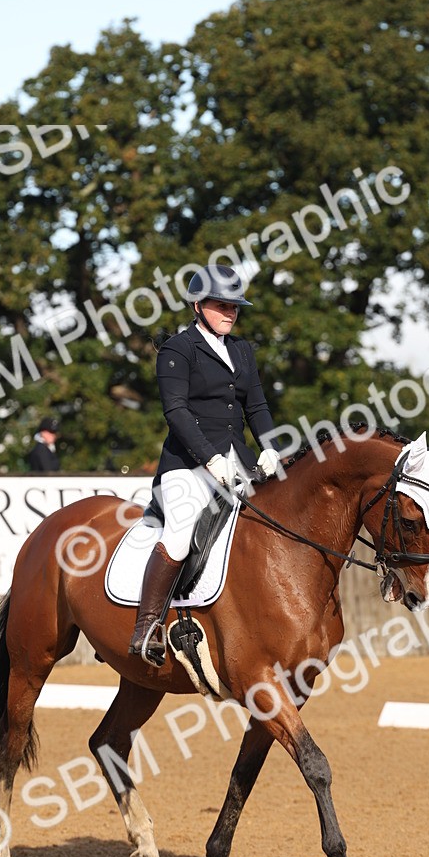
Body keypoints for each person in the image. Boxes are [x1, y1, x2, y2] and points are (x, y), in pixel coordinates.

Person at [129, 264, 281, 664]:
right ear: (197, 306)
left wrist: (270, 448)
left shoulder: (243, 350)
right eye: (221, 305)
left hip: (239, 462)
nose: (230, 312)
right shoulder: (177, 349)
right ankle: (147, 627)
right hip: (187, 464)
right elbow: (176, 412)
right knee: (181, 530)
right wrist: (210, 459)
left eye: (235, 307)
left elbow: (258, 406)